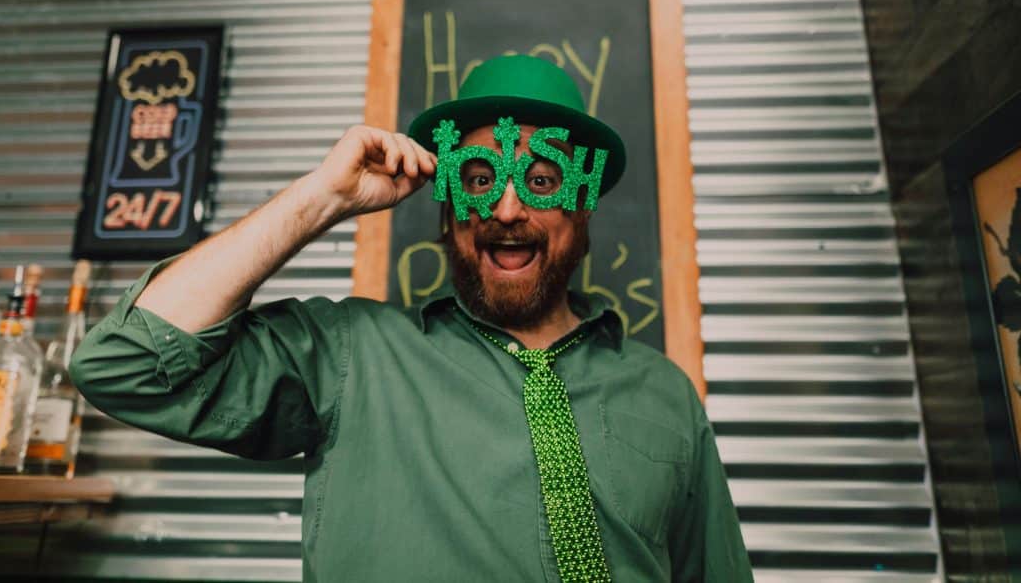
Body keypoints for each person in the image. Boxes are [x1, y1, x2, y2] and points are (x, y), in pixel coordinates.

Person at [70, 55, 753, 582]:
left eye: (542, 181)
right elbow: (123, 363)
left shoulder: (666, 396)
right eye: (481, 178)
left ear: (584, 207)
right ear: (448, 207)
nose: (508, 209)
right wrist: (322, 198)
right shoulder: (349, 358)